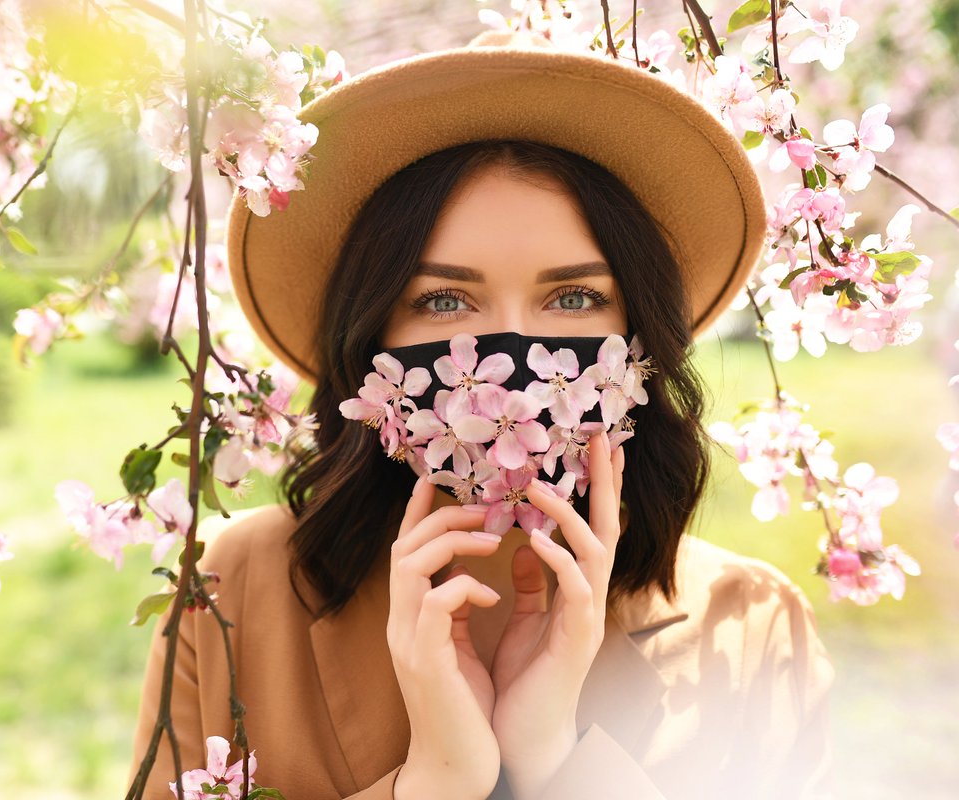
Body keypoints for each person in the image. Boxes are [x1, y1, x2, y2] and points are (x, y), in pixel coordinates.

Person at [129, 30, 835, 800]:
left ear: (639, 342)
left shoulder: (756, 629)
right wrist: (433, 782)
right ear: (370, 341)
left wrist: (557, 763)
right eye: (442, 300)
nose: (509, 359)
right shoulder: (235, 589)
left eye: (573, 298)